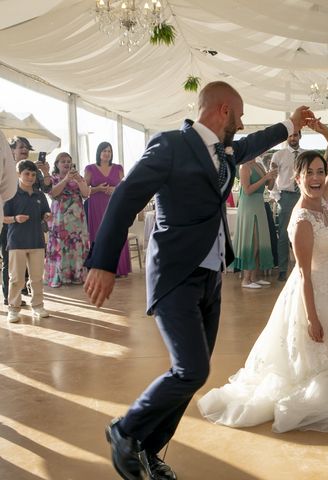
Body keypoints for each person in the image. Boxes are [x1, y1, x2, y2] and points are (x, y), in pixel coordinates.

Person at [83, 81, 313, 479]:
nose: (240, 125)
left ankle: (150, 452)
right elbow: (126, 196)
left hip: (211, 277)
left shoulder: (225, 152)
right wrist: (103, 261)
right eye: (238, 116)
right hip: (175, 274)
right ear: (223, 110)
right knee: (192, 370)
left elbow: (255, 142)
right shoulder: (171, 145)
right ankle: (125, 430)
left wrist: (288, 126)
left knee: (192, 373)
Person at [198, 119, 328, 433]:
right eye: (310, 173)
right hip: (315, 291)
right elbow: (303, 275)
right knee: (324, 357)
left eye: (320, 171)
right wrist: (313, 319)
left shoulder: (323, 201)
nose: (317, 178)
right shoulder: (302, 219)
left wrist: (324, 132)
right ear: (297, 177)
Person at [2, 136, 51, 305]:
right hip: (14, 239)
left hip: (36, 240)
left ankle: (37, 305)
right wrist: (14, 218)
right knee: (14, 274)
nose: (30, 176)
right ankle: (12, 304)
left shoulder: (38, 193)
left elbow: (47, 193)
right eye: (20, 147)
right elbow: (4, 216)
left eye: (26, 147)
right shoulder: (9, 188)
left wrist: (44, 172)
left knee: (36, 277)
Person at [84, 142, 131, 277]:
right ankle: (100, 268)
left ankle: (118, 268)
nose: (107, 153)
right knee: (99, 235)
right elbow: (84, 191)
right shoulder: (90, 168)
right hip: (96, 205)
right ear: (99, 152)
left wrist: (114, 190)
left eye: (109, 151)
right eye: (104, 151)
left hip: (115, 205)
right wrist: (98, 189)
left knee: (116, 233)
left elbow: (125, 188)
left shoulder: (118, 168)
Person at [45, 153, 91, 287]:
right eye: (63, 161)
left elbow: (86, 193)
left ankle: (77, 276)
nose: (66, 164)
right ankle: (59, 276)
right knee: (60, 245)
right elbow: (53, 193)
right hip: (60, 219)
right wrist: (65, 180)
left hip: (77, 220)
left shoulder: (78, 177)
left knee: (77, 245)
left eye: (68, 161)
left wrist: (79, 180)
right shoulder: (53, 178)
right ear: (57, 164)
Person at [232, 157, 277, 288]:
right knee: (252, 243)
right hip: (249, 207)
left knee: (261, 242)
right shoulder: (244, 167)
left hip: (259, 205)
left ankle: (254, 277)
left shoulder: (259, 165)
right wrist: (265, 178)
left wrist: (272, 175)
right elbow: (247, 190)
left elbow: (270, 186)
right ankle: (246, 280)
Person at [271, 131, 304, 281]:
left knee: (304, 233)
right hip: (286, 197)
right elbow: (271, 178)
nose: (293, 138)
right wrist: (279, 198)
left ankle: (303, 268)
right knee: (284, 235)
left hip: (303, 197)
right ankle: (283, 269)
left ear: (300, 137)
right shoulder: (278, 155)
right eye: (290, 136)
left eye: (295, 135)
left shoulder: (306, 155)